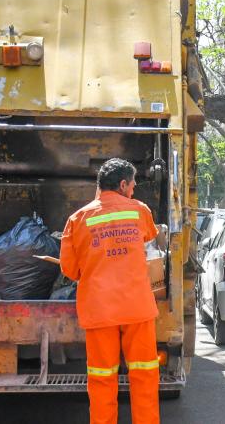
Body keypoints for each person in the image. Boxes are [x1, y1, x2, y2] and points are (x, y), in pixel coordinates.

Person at [60, 158, 161, 424]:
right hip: (137, 308)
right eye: (133, 183)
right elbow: (150, 237)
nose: (135, 188)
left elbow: (69, 270)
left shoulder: (77, 218)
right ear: (123, 184)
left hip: (99, 310)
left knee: (102, 379)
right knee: (145, 377)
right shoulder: (139, 210)